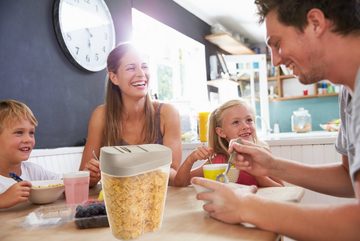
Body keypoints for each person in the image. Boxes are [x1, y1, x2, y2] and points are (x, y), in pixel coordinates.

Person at [193, 1, 360, 240]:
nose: (275, 60)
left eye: (277, 44)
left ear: (315, 23)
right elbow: (348, 177)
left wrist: (246, 207)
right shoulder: (348, 92)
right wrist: (271, 165)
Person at [79, 42, 182, 187]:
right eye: (131, 68)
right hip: (120, 201)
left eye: (144, 66)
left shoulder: (168, 113)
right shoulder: (101, 116)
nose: (141, 74)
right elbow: (83, 178)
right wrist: (91, 175)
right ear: (114, 77)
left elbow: (174, 175)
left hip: (159, 201)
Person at [174, 99, 282, 187]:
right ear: (221, 132)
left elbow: (281, 189)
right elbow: (180, 183)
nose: (245, 126)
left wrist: (257, 174)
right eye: (236, 122)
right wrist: (190, 160)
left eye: (249, 120)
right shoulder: (219, 161)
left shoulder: (263, 155)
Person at [0, 100, 61, 209]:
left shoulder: (34, 172)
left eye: (31, 133)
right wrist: (2, 200)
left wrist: (89, 178)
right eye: (19, 132)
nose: (28, 139)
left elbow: (62, 184)